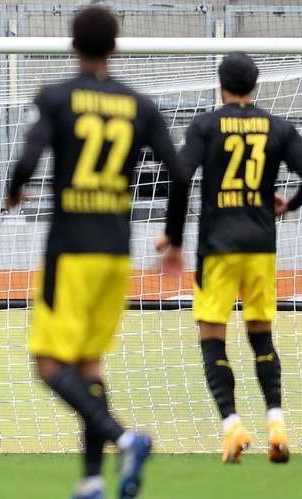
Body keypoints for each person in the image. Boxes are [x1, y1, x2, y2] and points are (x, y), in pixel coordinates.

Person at [7, 6, 190, 498]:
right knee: (88, 367)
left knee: (48, 364)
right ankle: (91, 480)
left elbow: (27, 159)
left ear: (73, 44)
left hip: (69, 252)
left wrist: (14, 190)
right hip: (115, 253)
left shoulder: (56, 97)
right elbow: (179, 173)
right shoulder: (140, 105)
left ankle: (125, 439)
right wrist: (172, 240)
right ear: (115, 47)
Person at [158, 52, 302, 465]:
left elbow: (181, 177)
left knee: (212, 336)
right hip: (260, 244)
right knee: (261, 333)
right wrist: (289, 206)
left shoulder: (207, 125)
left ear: (220, 84)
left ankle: (233, 427)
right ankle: (276, 422)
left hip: (218, 247)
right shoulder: (278, 126)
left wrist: (173, 237)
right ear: (255, 85)